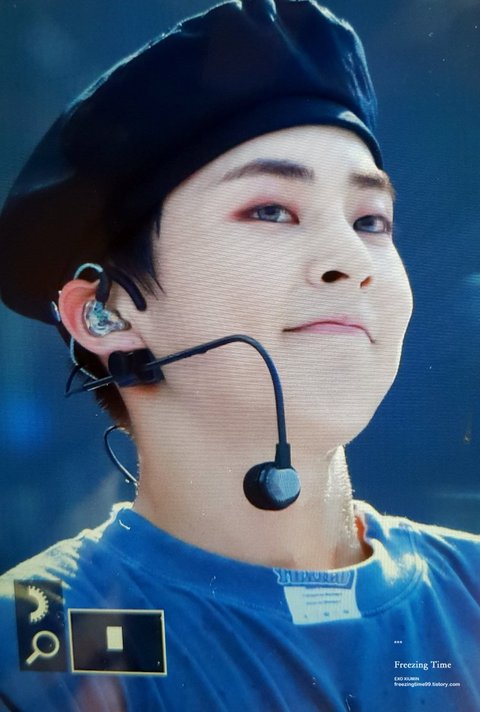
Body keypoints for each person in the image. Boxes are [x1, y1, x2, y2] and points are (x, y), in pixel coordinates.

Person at [0, 1, 479, 710]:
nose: (353, 260)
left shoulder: (471, 591)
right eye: (270, 210)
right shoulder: (32, 637)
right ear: (105, 313)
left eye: (370, 220)